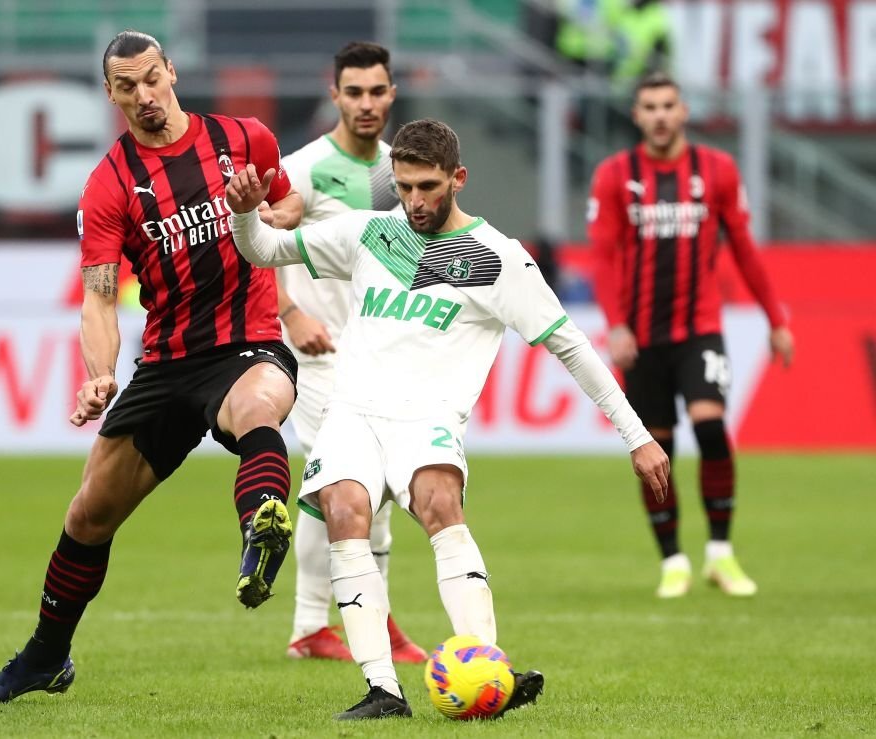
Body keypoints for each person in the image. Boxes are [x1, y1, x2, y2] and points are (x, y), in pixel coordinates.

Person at [226, 118, 670, 719]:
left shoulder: (499, 259)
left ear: (458, 179)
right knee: (344, 513)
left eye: (428, 186)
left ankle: (487, 667)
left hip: (427, 416)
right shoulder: (368, 234)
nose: (414, 201)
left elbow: (572, 346)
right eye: (404, 186)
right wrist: (247, 214)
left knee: (439, 503)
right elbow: (265, 251)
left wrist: (637, 436)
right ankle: (382, 690)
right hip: (353, 411)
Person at [0, 30, 304, 703]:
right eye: (127, 87)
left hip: (249, 339)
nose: (144, 96)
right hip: (169, 362)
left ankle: (263, 518)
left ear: (171, 71)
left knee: (257, 407)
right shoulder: (110, 183)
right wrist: (99, 372)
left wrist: (257, 214)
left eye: (152, 78)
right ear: (110, 93)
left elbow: (289, 203)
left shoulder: (244, 138)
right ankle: (44, 659)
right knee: (89, 515)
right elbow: (98, 296)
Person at [587, 72, 794, 599]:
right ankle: (674, 561)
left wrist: (776, 319)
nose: (659, 115)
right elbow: (603, 258)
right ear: (636, 115)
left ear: (683, 112)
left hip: (700, 328)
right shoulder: (615, 175)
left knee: (710, 426)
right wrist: (615, 323)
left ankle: (721, 554)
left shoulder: (717, 170)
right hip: (641, 338)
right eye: (649, 106)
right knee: (658, 449)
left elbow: (745, 248)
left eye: (668, 105)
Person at [278, 41, 425, 665]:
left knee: (372, 488)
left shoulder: (401, 171)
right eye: (354, 92)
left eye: (377, 92)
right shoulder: (304, 168)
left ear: (393, 94)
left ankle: (345, 623)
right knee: (345, 477)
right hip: (315, 356)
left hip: (378, 356)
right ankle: (323, 625)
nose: (367, 104)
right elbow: (255, 245)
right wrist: (290, 313)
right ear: (334, 94)